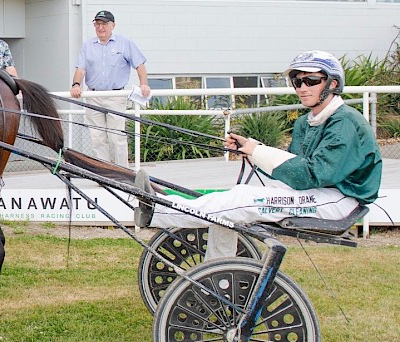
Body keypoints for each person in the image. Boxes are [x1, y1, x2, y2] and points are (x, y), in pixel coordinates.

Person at [134, 50, 382, 259]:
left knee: (245, 200)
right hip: (317, 192)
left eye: (312, 81)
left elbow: (309, 175)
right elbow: (291, 169)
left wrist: (258, 151)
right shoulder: (306, 122)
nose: (302, 88)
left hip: (342, 200)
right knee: (233, 204)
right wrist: (252, 149)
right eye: (297, 81)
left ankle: (160, 212)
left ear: (333, 84)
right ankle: (216, 274)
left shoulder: (346, 122)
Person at [70, 10, 150, 167]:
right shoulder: (87, 46)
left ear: (113, 25)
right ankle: (106, 173)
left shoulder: (125, 43)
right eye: (97, 24)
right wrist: (76, 84)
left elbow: (140, 65)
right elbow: (80, 69)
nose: (100, 27)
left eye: (104, 24)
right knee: (97, 138)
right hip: (93, 96)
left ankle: (123, 172)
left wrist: (144, 84)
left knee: (117, 137)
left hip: (116, 96)